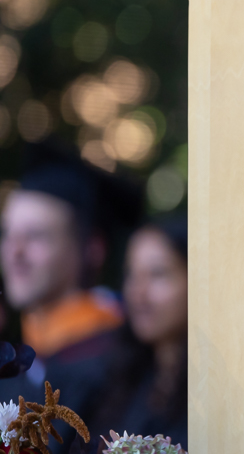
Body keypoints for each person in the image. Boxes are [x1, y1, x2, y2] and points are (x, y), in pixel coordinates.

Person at [0, 140, 142, 453]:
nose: (14, 252)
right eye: (7, 234)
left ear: (93, 248)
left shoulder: (124, 362)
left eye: (35, 235)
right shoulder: (17, 367)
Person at [85, 217, 188, 448]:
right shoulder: (115, 380)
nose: (138, 293)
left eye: (157, 274)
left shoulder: (217, 391)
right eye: (132, 275)